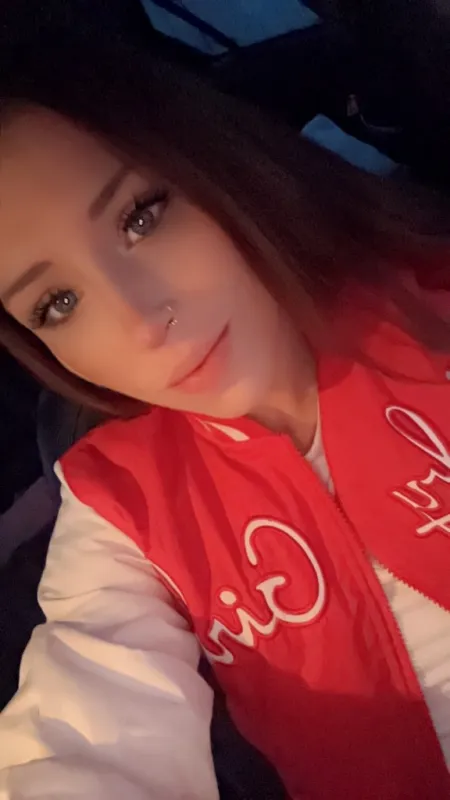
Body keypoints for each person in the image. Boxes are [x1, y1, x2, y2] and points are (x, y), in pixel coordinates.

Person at [0, 31, 449, 800]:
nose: (141, 320)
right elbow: (87, 732)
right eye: (58, 303)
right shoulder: (120, 508)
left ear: (211, 163)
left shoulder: (429, 307)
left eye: (141, 216)